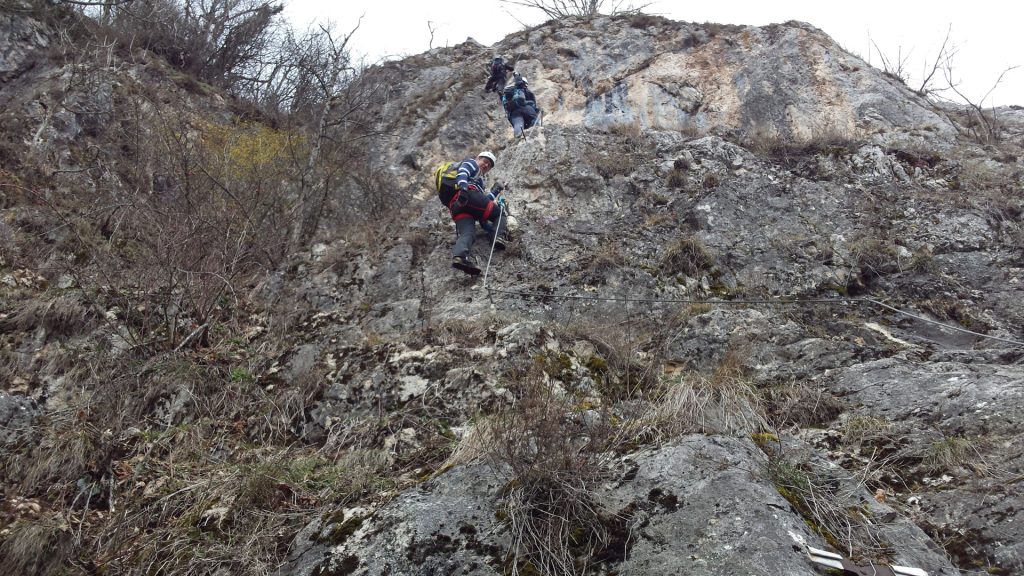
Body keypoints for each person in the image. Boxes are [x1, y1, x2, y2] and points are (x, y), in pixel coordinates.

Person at [441, 151, 509, 275]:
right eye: (485, 161)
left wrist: (496, 190)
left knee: (468, 233)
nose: (486, 166)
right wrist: (463, 188)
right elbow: (463, 172)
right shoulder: (472, 163)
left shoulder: (478, 180)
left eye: (489, 166)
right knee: (499, 214)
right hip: (466, 195)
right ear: (478, 158)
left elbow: (483, 204)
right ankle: (499, 236)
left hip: (456, 206)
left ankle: (460, 257)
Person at [502, 74, 540, 138]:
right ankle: (536, 132)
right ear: (525, 84)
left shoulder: (509, 93)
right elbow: (534, 105)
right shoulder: (527, 92)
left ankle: (518, 135)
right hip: (527, 109)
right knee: (533, 118)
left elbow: (506, 107)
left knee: (518, 122)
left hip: (514, 112)